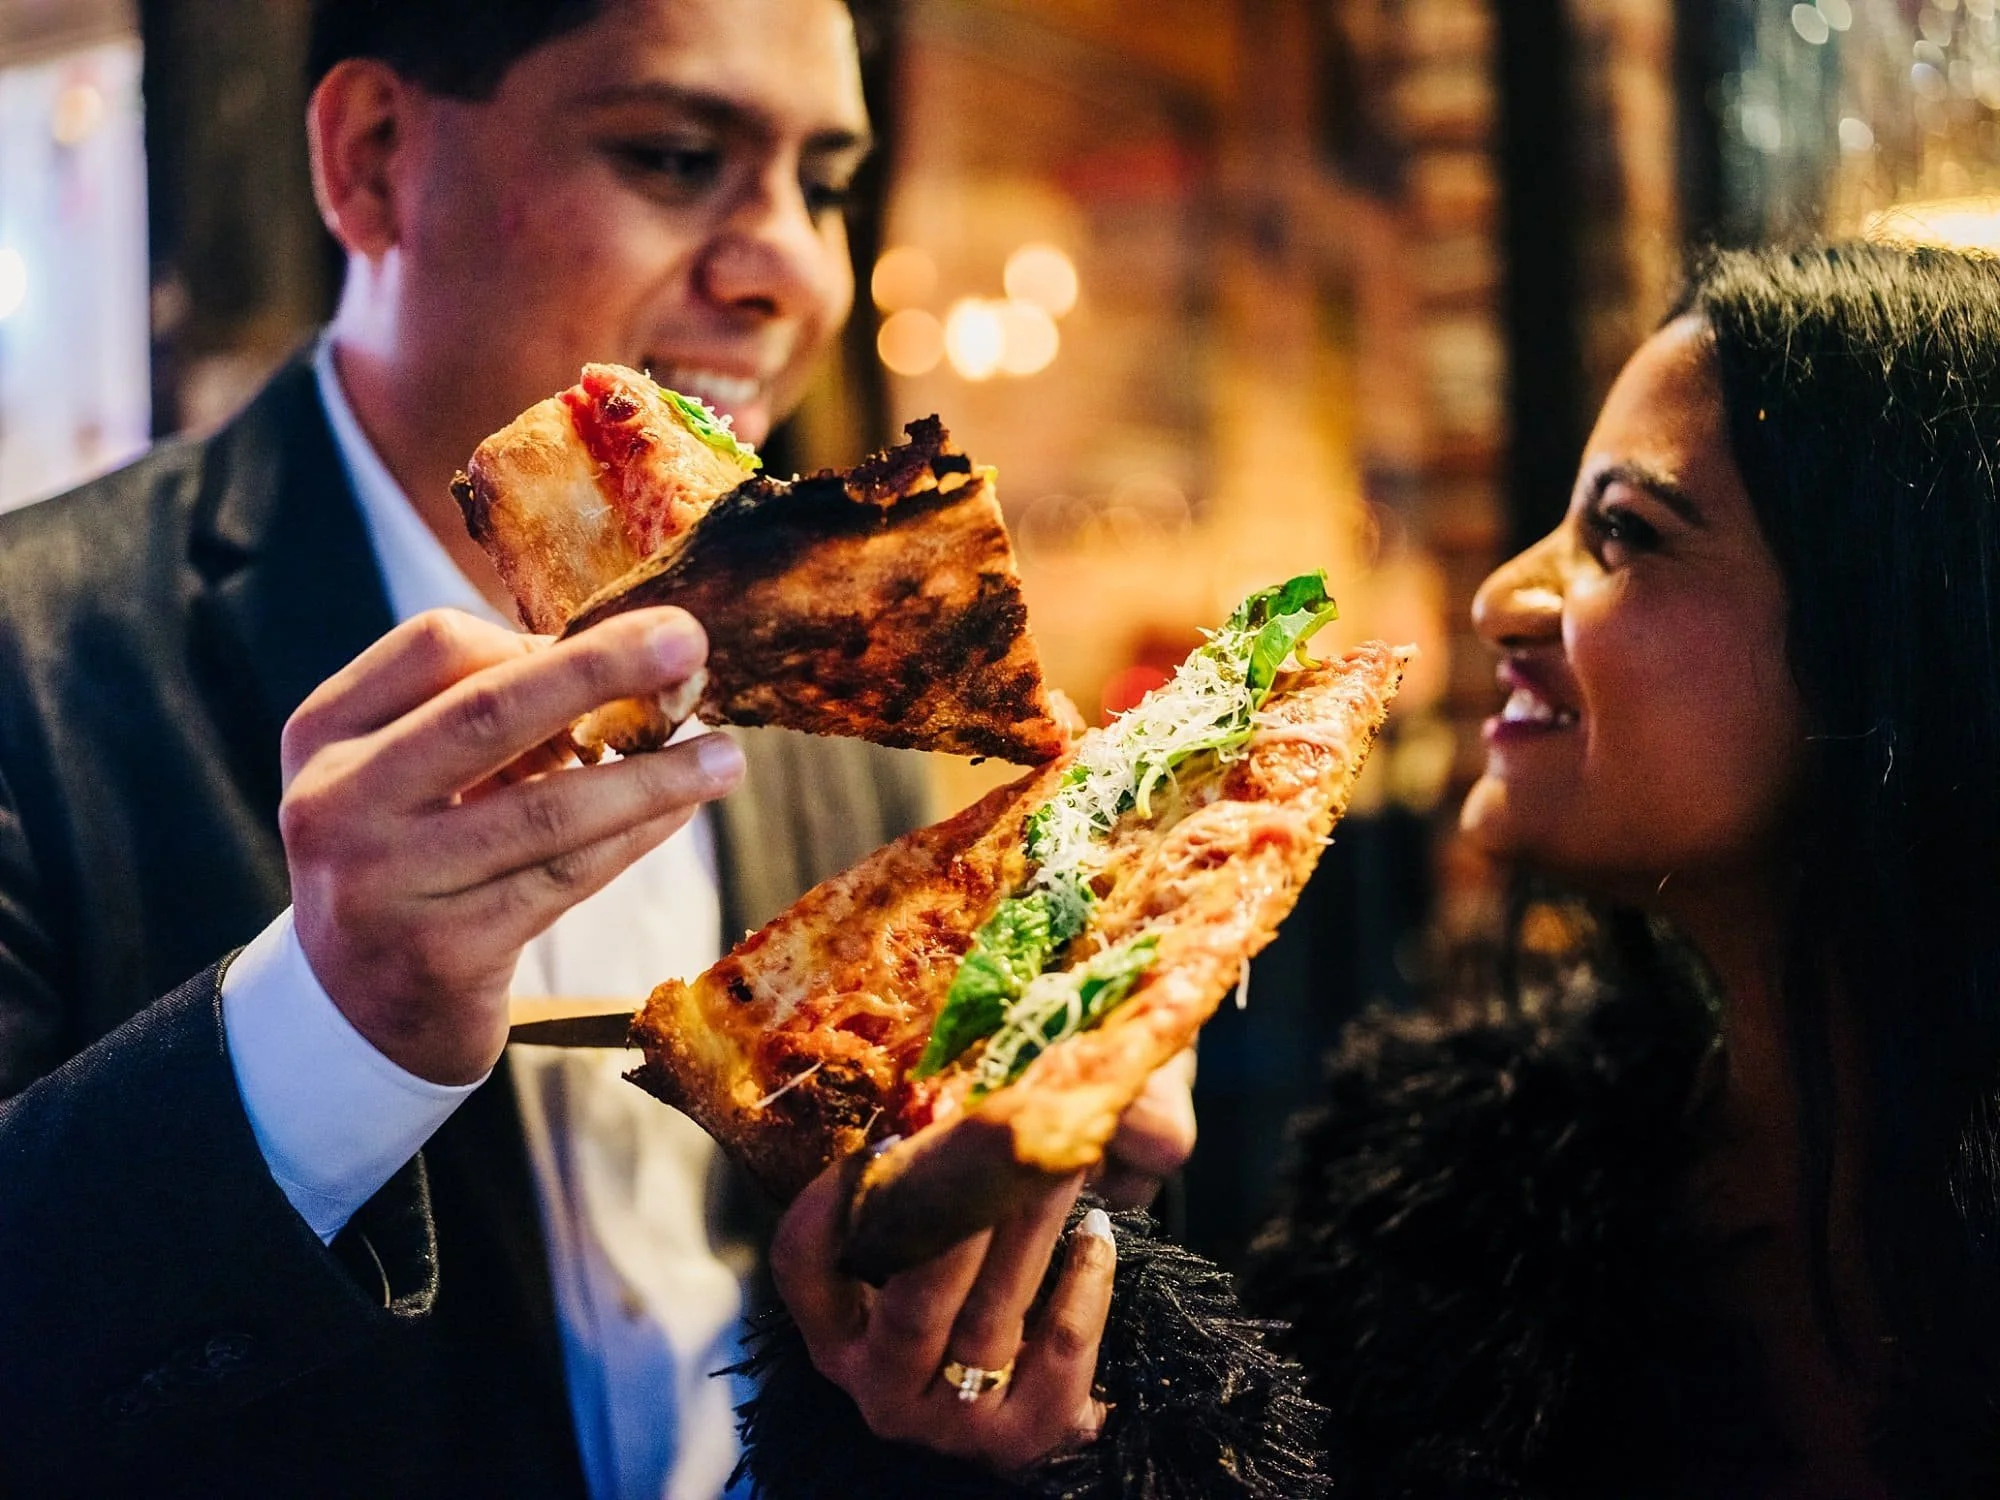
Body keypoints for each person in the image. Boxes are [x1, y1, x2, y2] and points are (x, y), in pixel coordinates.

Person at [0, 1, 1191, 1495]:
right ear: (373, 160)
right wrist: (322, 1032)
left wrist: (1027, 1263)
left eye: (823, 184)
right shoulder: (33, 658)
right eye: (678, 156)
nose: (800, 273)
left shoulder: (858, 714)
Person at [736, 246, 2000, 1498]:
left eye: (1621, 532)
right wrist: (1049, 1427)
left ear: (1895, 629)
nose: (1501, 597)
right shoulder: (1442, 1200)